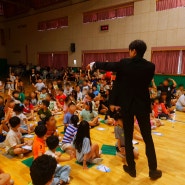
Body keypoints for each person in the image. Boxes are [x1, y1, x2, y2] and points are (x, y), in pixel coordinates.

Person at [88, 40, 162, 179]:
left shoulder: (124, 64)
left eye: (130, 50)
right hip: (142, 106)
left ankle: (131, 169)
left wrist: (94, 64)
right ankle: (153, 170)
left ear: (133, 51)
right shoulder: (150, 67)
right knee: (148, 138)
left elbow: (109, 65)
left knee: (127, 138)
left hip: (128, 106)